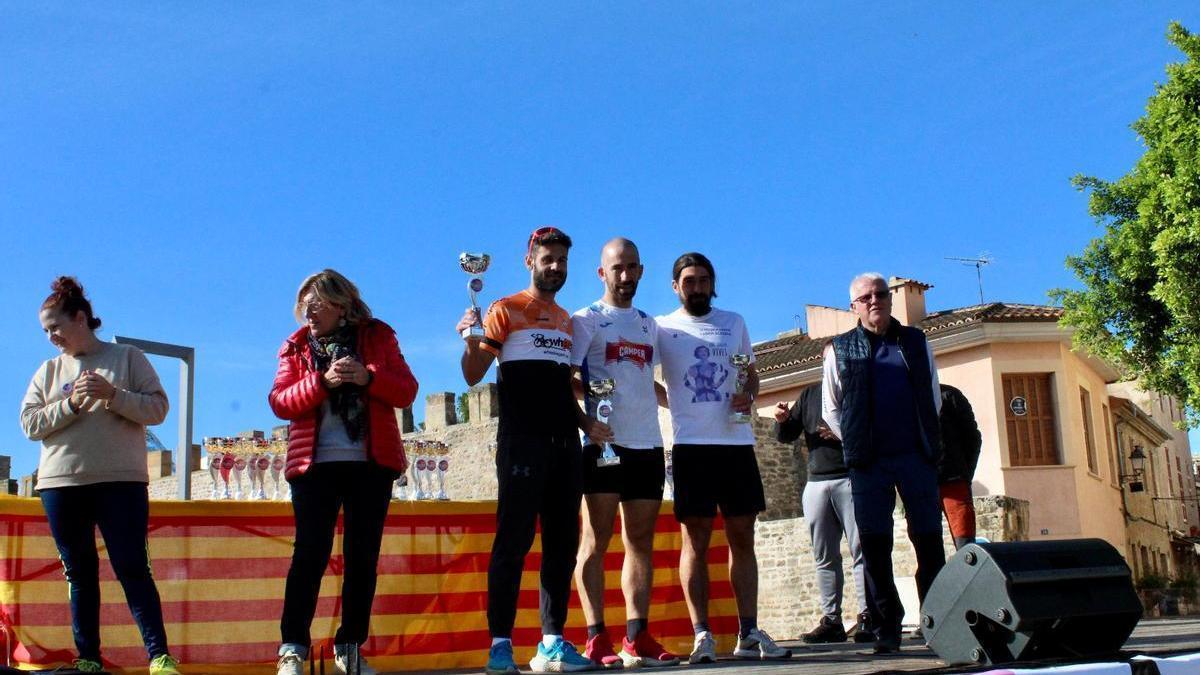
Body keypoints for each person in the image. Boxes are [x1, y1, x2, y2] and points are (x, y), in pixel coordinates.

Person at [19, 277, 182, 675]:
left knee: (132, 566)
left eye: (54, 326)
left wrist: (114, 395)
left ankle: (159, 656)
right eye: (45, 330)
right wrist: (71, 403)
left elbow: (159, 409)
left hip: (121, 481)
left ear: (80, 318)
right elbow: (29, 423)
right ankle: (88, 659)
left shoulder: (128, 357)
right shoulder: (48, 371)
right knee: (79, 572)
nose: (51, 337)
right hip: (61, 485)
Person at [456, 227, 595, 674]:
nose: (555, 267)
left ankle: (551, 642)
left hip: (564, 444)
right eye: (547, 259)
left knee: (562, 544)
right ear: (529, 260)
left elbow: (562, 389)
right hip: (521, 442)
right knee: (512, 542)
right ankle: (500, 645)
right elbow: (474, 376)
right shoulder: (504, 308)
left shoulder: (568, 321)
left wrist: (586, 422)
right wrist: (469, 339)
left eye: (562, 261)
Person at [269, 269, 419, 675]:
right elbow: (281, 402)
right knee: (309, 557)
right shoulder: (296, 346)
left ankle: (350, 648)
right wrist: (322, 382)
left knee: (362, 559)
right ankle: (292, 648)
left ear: (341, 304)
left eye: (316, 303)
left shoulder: (379, 336)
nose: (308, 312)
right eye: (303, 305)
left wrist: (368, 378)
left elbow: (406, 390)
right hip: (313, 465)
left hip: (371, 465)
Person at [655, 252, 791, 664]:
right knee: (694, 541)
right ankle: (702, 635)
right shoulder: (662, 327)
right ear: (676, 286)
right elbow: (639, 377)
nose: (697, 287)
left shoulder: (734, 323)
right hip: (691, 447)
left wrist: (748, 395)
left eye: (703, 280)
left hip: (736, 444)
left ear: (713, 283)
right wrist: (672, 403)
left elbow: (750, 372)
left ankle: (747, 632)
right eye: (689, 281)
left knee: (743, 538)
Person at [821, 272, 946, 654]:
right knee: (875, 547)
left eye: (880, 294)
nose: (875, 301)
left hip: (915, 456)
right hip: (868, 463)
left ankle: (937, 620)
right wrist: (859, 441)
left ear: (890, 298)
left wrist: (921, 437)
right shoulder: (838, 350)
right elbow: (832, 410)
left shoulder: (915, 341)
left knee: (929, 541)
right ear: (854, 306)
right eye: (866, 297)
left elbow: (934, 396)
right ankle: (886, 627)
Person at [570, 238, 680, 668]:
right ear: (602, 273)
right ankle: (596, 637)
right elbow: (568, 378)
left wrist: (685, 405)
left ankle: (637, 636)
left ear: (641, 271)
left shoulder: (648, 325)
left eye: (632, 267)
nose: (625, 275)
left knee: (640, 544)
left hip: (648, 445)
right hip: (605, 445)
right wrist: (586, 422)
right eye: (617, 268)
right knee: (595, 541)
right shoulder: (586, 320)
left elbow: (641, 381)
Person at [773, 384, 873, 644]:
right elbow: (788, 434)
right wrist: (782, 420)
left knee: (861, 550)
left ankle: (868, 616)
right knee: (824, 555)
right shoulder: (810, 394)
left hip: (851, 476)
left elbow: (875, 428)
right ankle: (832, 620)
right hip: (817, 481)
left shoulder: (858, 389)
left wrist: (842, 434)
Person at [938, 383, 982, 550]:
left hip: (954, 482)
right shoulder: (908, 395)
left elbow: (973, 438)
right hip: (922, 484)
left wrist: (964, 475)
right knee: (926, 547)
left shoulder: (951, 395)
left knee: (965, 546)